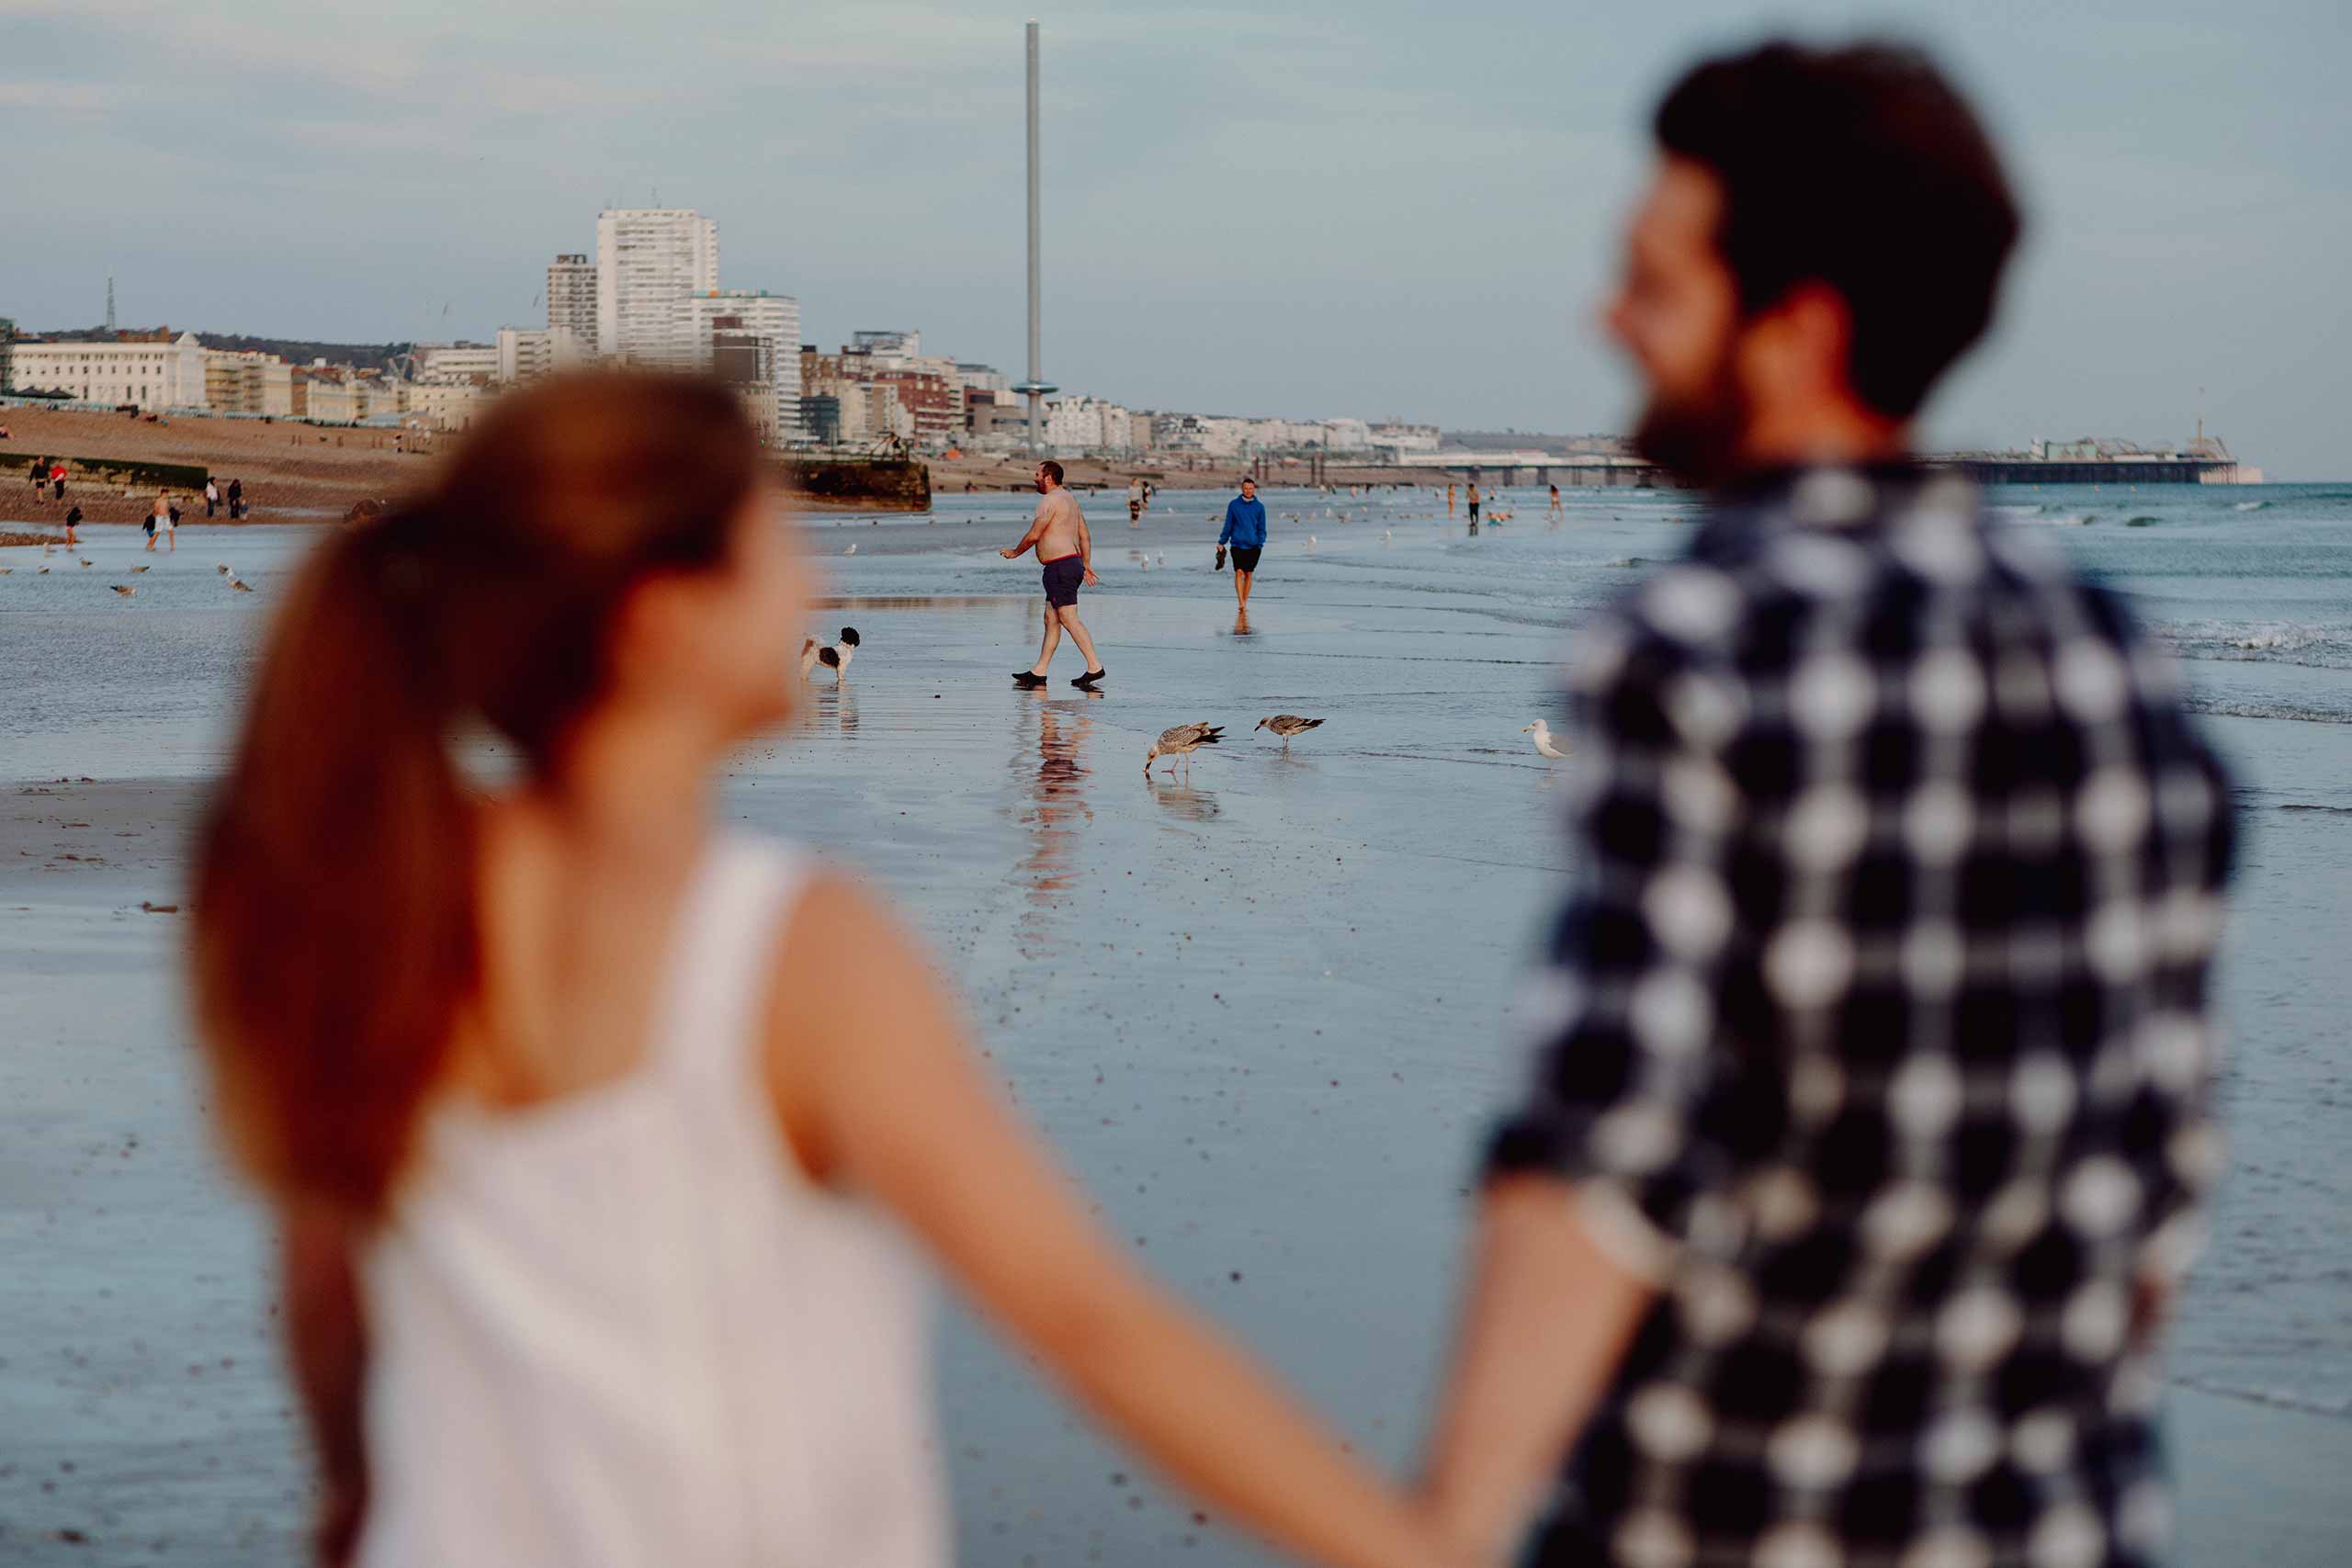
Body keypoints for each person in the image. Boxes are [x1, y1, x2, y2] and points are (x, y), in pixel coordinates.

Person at [188, 375, 1450, 1568]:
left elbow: (330, 1308)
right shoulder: (790, 948)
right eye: (774, 546)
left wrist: (357, 1491)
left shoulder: (381, 905)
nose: (819, 578)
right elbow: (1087, 1319)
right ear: (661, 616)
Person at [1416, 40, 2234, 1568]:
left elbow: (1602, 1167)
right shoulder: (2121, 650)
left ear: (1796, 328)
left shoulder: (1708, 639)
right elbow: (2151, 1193)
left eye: (1655, 284)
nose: (1610, 318)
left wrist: (1443, 1525)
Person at [1001, 457, 1105, 689]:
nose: (1034, 478)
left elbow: (1035, 533)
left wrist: (1015, 552)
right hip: (1070, 564)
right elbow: (1085, 535)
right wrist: (1085, 564)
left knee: (1068, 618)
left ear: (1048, 478)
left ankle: (1094, 666)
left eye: (1037, 475)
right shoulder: (1070, 499)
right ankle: (1039, 671)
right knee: (1051, 619)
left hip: (1060, 567)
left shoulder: (1049, 501)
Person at [1218, 477, 1269, 609]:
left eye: (1250, 488)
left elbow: (1262, 528)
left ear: (1254, 489)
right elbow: (1228, 525)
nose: (1248, 491)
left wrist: (1260, 542)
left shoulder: (1259, 507)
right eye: (1246, 488)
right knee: (1239, 572)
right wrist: (1222, 541)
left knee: (1248, 574)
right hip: (1237, 544)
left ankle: (1245, 601)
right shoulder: (1234, 505)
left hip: (1254, 546)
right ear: (1242, 489)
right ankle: (1241, 602)